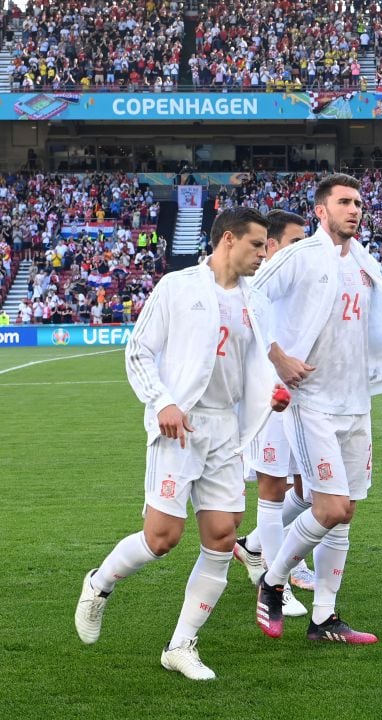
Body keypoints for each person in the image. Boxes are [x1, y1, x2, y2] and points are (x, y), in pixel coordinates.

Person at [74, 208, 288, 680]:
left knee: (221, 536)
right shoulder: (177, 286)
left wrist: (268, 393)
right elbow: (139, 350)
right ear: (228, 239)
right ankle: (100, 582)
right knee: (162, 539)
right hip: (179, 428)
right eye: (257, 244)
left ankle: (181, 645)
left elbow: (256, 363)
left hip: (226, 431)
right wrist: (164, 402)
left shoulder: (257, 301)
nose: (264, 253)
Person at [251, 174, 382, 645]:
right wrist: (278, 357)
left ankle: (324, 618)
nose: (354, 209)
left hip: (355, 402)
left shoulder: (364, 263)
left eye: (358, 202)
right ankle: (273, 579)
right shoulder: (300, 256)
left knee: (346, 510)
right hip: (312, 401)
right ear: (321, 211)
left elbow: (381, 321)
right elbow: (252, 295)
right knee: (331, 506)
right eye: (344, 202)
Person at [232, 210, 313, 617]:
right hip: (268, 398)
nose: (305, 249)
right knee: (273, 485)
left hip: (304, 398)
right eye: (296, 242)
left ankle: (254, 547)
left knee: (310, 490)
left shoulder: (305, 283)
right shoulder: (253, 287)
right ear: (274, 245)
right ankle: (275, 583)